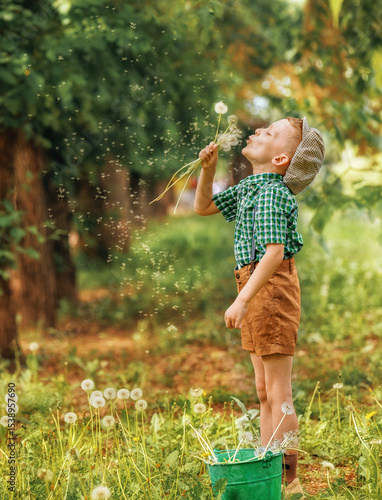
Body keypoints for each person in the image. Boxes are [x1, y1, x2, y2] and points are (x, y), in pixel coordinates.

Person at [194, 116, 325, 497]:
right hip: (254, 285)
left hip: (268, 288)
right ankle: (269, 469)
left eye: (268, 132)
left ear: (282, 158)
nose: (257, 132)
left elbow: (274, 252)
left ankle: (289, 480)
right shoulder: (252, 186)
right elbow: (202, 207)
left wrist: (242, 298)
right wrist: (208, 170)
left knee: (278, 391)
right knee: (264, 390)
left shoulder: (270, 194)